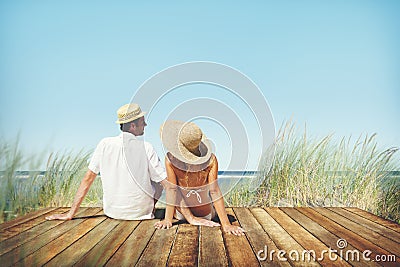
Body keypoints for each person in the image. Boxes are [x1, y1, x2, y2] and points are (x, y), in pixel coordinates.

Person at [46, 103, 167, 220]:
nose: (145, 124)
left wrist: (70, 213)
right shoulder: (147, 147)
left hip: (113, 212)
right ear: (132, 126)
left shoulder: (104, 144)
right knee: (158, 182)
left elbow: (88, 179)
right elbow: (165, 183)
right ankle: (148, 208)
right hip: (141, 214)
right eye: (142, 122)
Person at [154, 120, 245, 236]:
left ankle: (183, 217)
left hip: (179, 215)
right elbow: (214, 191)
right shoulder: (211, 160)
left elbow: (172, 190)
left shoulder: (170, 159)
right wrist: (226, 224)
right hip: (206, 214)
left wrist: (168, 219)